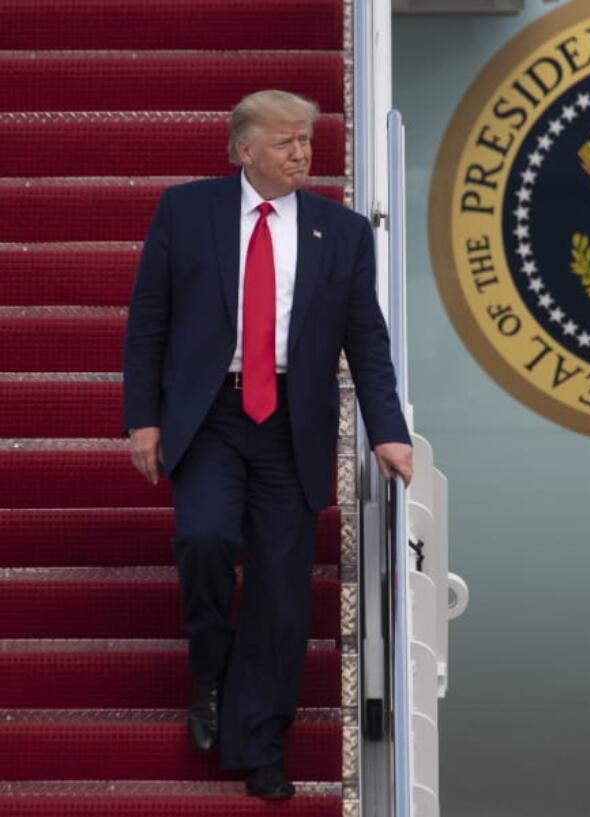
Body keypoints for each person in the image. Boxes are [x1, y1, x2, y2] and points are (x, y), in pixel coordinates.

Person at [122, 89, 413, 800]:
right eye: (285, 142)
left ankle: (260, 743)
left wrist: (389, 433)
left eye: (306, 141)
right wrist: (143, 419)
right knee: (206, 538)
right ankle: (211, 668)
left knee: (283, 589)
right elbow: (148, 322)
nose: (300, 153)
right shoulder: (185, 211)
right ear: (242, 149)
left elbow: (366, 341)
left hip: (292, 420)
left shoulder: (340, 232)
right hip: (211, 413)